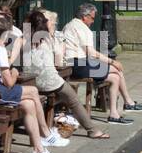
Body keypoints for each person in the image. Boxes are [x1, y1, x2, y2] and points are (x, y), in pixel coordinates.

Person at [0, 14, 67, 153]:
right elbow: (9, 83)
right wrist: (13, 71)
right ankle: (45, 134)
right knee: (33, 91)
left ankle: (38, 151)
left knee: (29, 104)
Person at [23, 8, 109, 140]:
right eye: (52, 23)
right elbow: (58, 62)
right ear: (45, 24)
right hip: (47, 81)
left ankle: (59, 117)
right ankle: (93, 130)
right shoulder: (47, 39)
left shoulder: (23, 37)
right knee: (73, 99)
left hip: (29, 82)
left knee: (64, 92)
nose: (54, 26)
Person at [63, 3, 142, 123]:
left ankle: (114, 114)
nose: (92, 21)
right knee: (116, 69)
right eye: (92, 18)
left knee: (115, 78)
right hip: (78, 65)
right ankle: (128, 103)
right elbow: (91, 52)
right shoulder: (81, 28)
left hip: (77, 63)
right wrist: (112, 61)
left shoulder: (71, 24)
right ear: (84, 16)